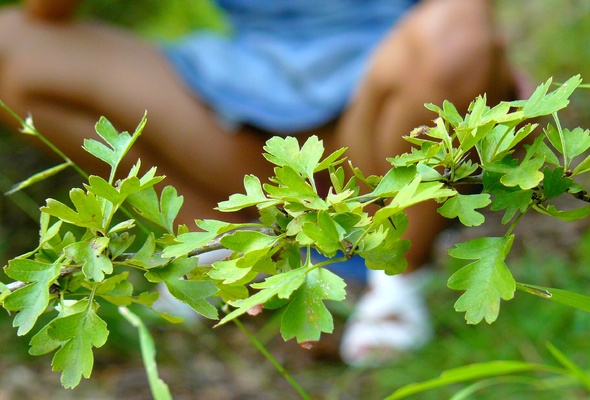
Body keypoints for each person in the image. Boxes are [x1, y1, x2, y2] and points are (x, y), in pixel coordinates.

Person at [0, 0, 518, 366]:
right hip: (237, 105)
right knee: (11, 44)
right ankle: (221, 248)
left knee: (458, 30)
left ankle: (393, 279)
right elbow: (46, 17)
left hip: (388, 116)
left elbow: (470, 30)